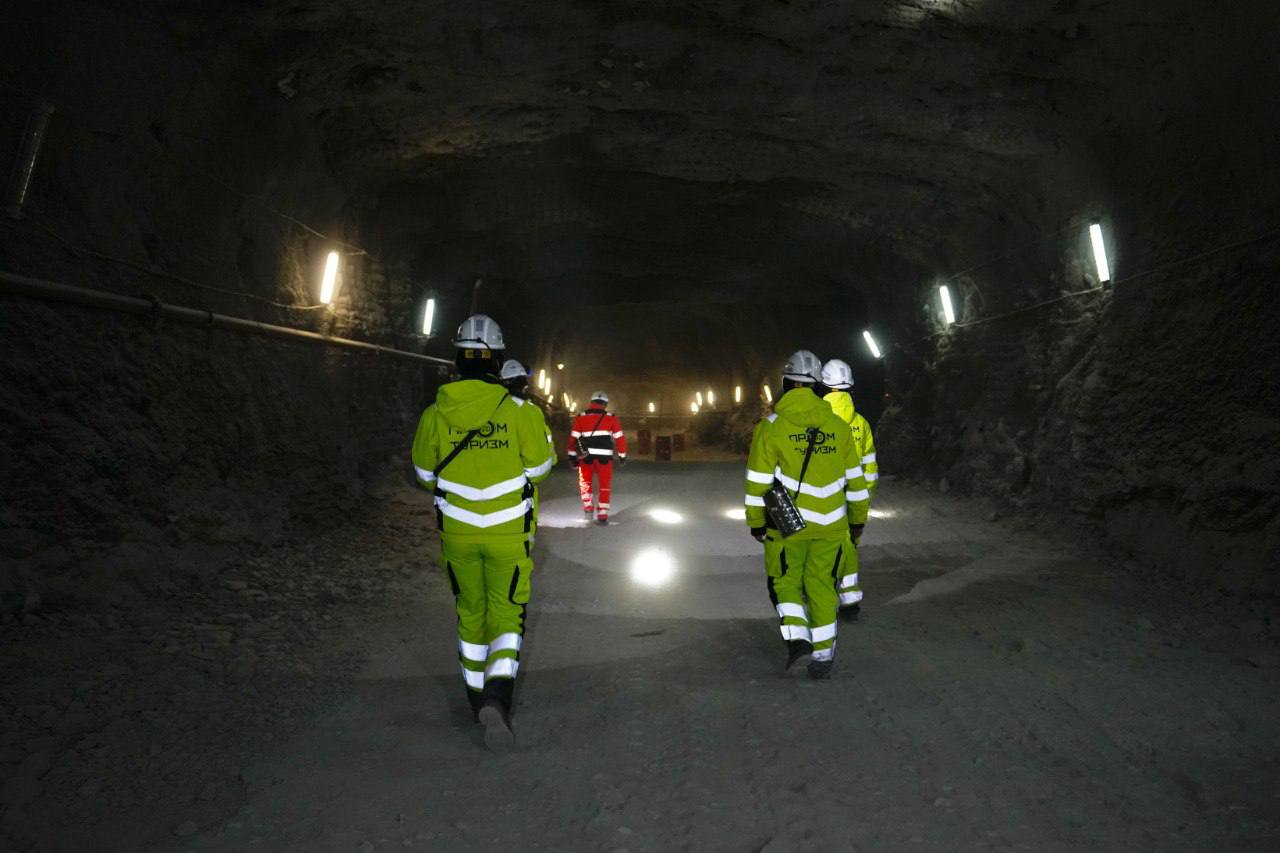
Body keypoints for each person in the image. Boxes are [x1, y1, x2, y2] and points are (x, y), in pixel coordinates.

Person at [410, 315, 555, 752]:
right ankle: (497, 694)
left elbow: (424, 475)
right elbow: (540, 468)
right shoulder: (521, 412)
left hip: (458, 533)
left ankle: (476, 700)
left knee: (470, 611)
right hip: (508, 533)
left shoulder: (434, 414)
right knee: (506, 614)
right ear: (497, 360)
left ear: (457, 360)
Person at [744, 351, 871, 679]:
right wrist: (857, 520)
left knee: (785, 581)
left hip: (787, 525)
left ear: (786, 383)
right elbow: (856, 483)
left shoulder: (771, 428)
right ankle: (823, 657)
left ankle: (798, 638)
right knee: (823, 586)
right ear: (816, 385)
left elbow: (758, 483)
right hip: (832, 526)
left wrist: (757, 523)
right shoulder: (839, 427)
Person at [820, 358, 879, 620]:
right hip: (854, 498)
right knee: (848, 546)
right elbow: (870, 469)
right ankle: (850, 600)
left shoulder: (815, 421)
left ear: (824, 385)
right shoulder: (861, 424)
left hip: (820, 499)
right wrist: (863, 502)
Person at [499, 358, 556, 536]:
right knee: (524, 530)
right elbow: (541, 461)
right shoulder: (530, 412)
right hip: (522, 486)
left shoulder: (491, 409)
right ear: (524, 384)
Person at [567, 391, 627, 524]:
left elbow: (573, 439)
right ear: (605, 404)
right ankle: (602, 514)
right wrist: (622, 456)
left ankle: (588, 509)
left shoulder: (580, 417)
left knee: (585, 483)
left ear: (591, 402)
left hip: (586, 456)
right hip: (605, 457)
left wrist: (572, 456)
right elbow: (619, 438)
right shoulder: (611, 418)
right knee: (604, 485)